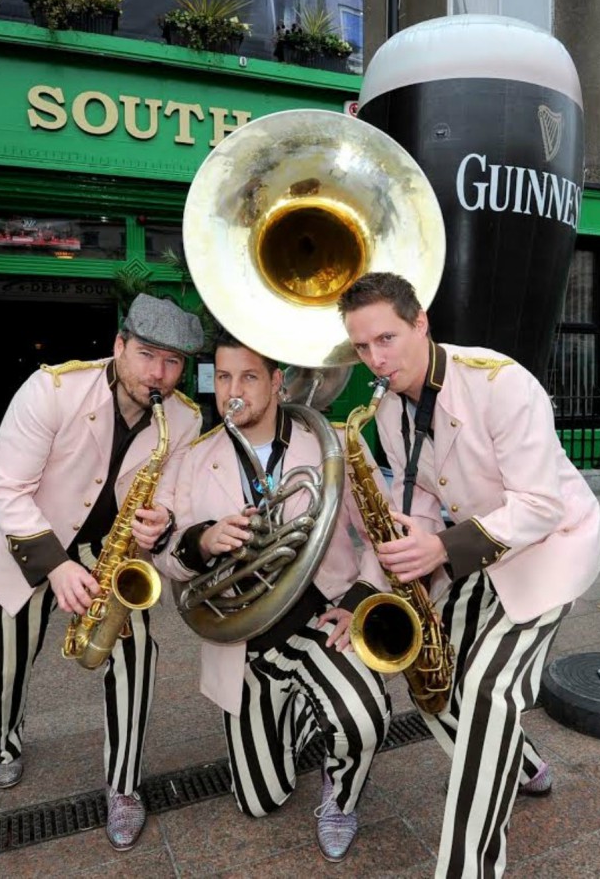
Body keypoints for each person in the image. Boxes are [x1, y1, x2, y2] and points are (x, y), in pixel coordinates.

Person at [338, 272, 600, 878]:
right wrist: (373, 587)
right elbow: (425, 500)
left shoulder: (501, 383)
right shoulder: (385, 411)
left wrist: (439, 550)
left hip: (548, 548)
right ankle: (525, 763)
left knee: (486, 690)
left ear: (421, 322)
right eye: (361, 347)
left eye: (386, 339)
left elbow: (540, 506)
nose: (376, 360)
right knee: (429, 674)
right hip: (470, 548)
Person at [0, 295, 204, 850]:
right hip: (23, 541)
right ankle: (2, 742)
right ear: (119, 347)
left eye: (172, 362)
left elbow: (175, 492)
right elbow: (3, 488)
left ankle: (123, 785)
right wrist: (56, 567)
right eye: (147, 355)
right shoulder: (52, 391)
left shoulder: (184, 418)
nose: (158, 374)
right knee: (4, 657)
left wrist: (165, 516)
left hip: (107, 549)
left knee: (137, 649)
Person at [154, 331, 392, 863]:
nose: (231, 391)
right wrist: (202, 540)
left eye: (247, 377)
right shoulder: (193, 458)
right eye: (221, 377)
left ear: (278, 382)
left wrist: (360, 596)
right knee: (259, 800)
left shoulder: (331, 444)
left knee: (362, 720)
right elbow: (166, 554)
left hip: (319, 620)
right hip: (244, 640)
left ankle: (341, 793)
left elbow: (384, 529)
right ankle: (306, 712)